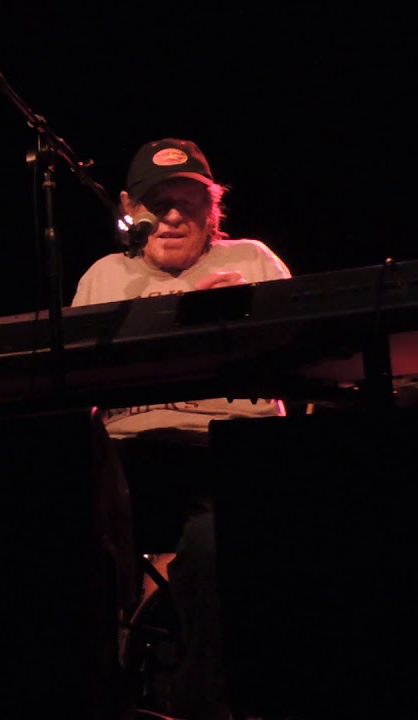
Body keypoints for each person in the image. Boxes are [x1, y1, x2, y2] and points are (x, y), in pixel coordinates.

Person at [71, 138, 292, 720]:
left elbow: (301, 361)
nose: (171, 215)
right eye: (156, 201)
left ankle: (202, 706)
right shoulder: (104, 276)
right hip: (127, 464)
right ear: (129, 209)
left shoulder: (251, 260)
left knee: (214, 545)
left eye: (187, 201)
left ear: (211, 208)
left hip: (226, 454)